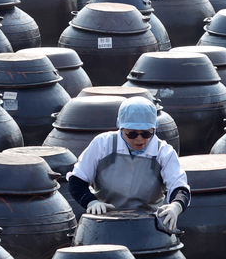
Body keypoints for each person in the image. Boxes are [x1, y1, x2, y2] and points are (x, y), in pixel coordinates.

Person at [67, 96, 190, 231]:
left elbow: (179, 187)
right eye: (131, 134)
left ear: (155, 128)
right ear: (120, 127)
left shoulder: (163, 152)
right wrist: (90, 201)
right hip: (104, 221)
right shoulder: (103, 144)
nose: (139, 139)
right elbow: (77, 180)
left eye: (146, 134)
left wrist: (175, 206)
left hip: (149, 224)